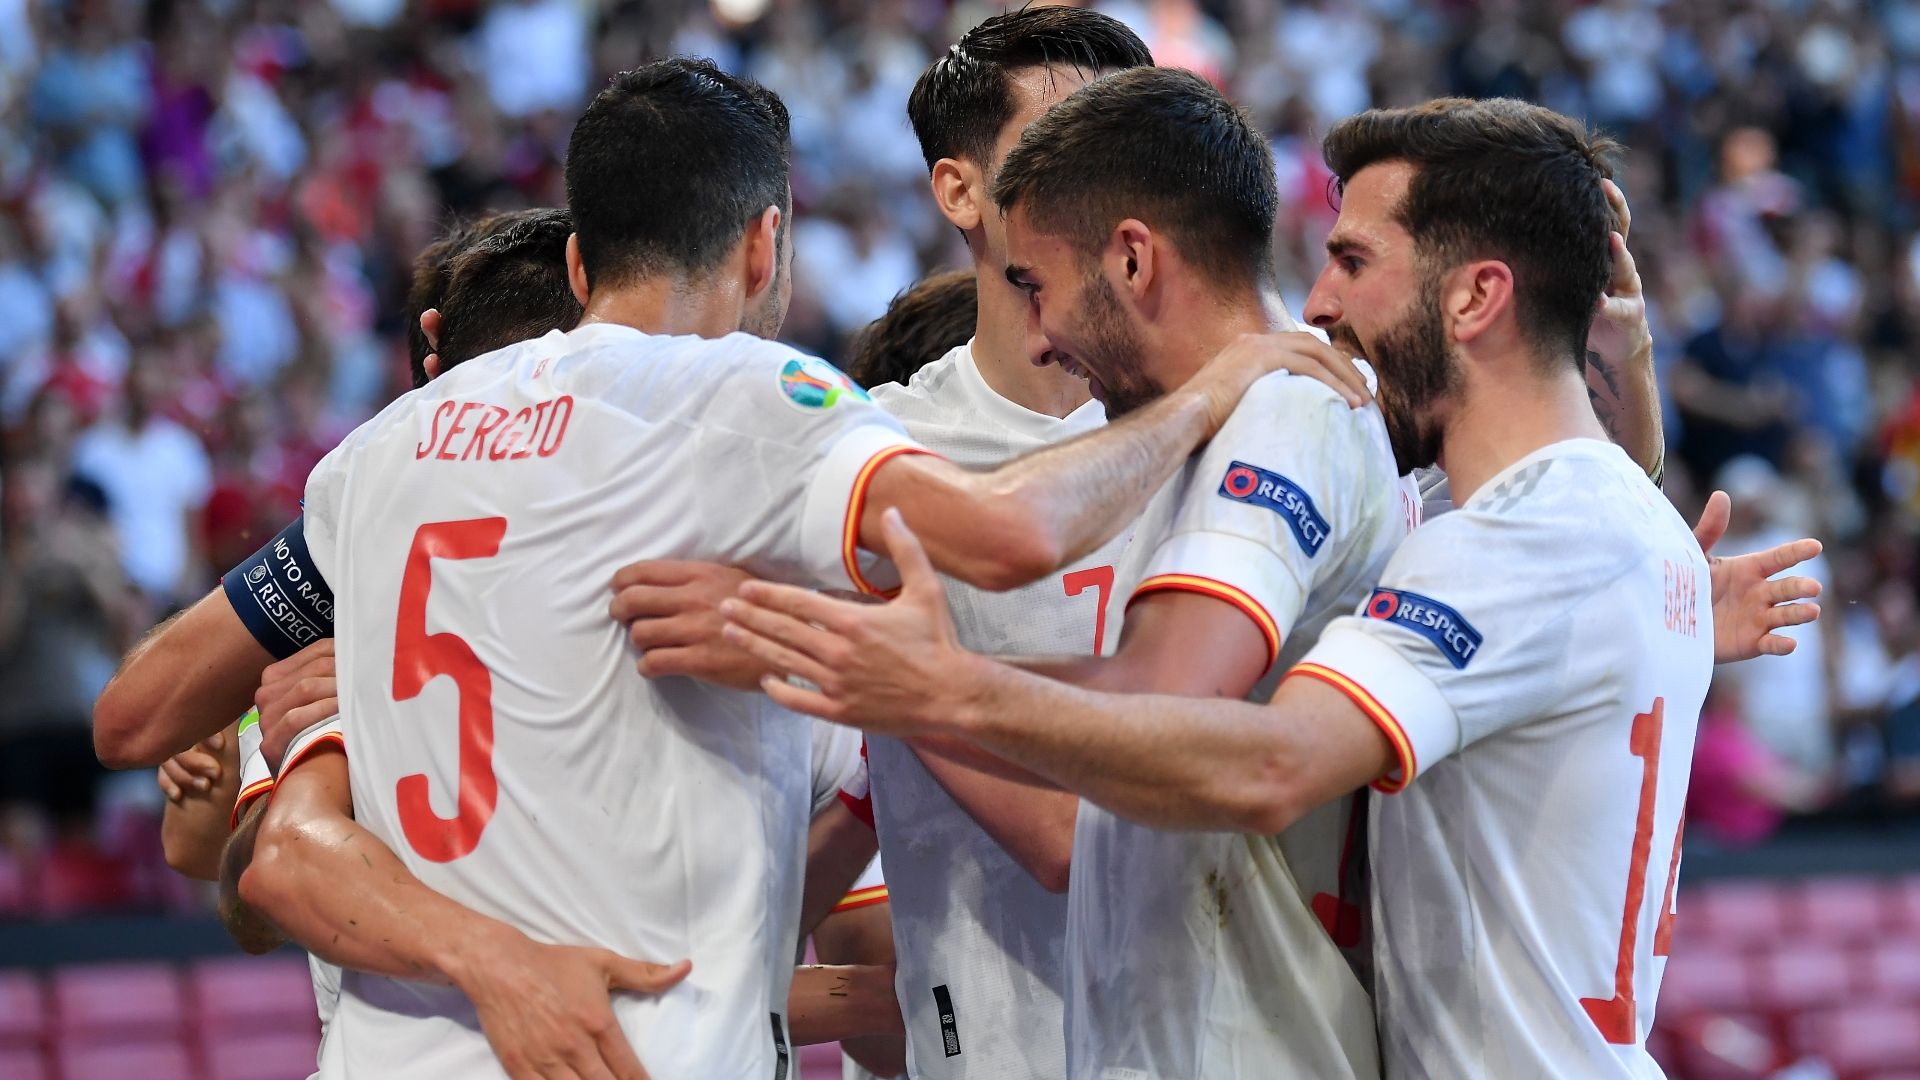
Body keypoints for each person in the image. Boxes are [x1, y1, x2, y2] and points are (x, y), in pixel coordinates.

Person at [243, 56, 1323, 1080]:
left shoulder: (377, 453)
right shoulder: (742, 399)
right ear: (765, 247)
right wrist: (1212, 392)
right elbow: (1013, 535)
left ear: (579, 262)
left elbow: (162, 739)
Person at [717, 92, 1821, 1077]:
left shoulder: (1322, 423)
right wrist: (1624, 379)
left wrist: (925, 686)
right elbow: (1559, 541)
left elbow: (1238, 747)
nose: (1321, 304)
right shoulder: (1569, 530)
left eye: (1351, 260)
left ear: (1479, 297)